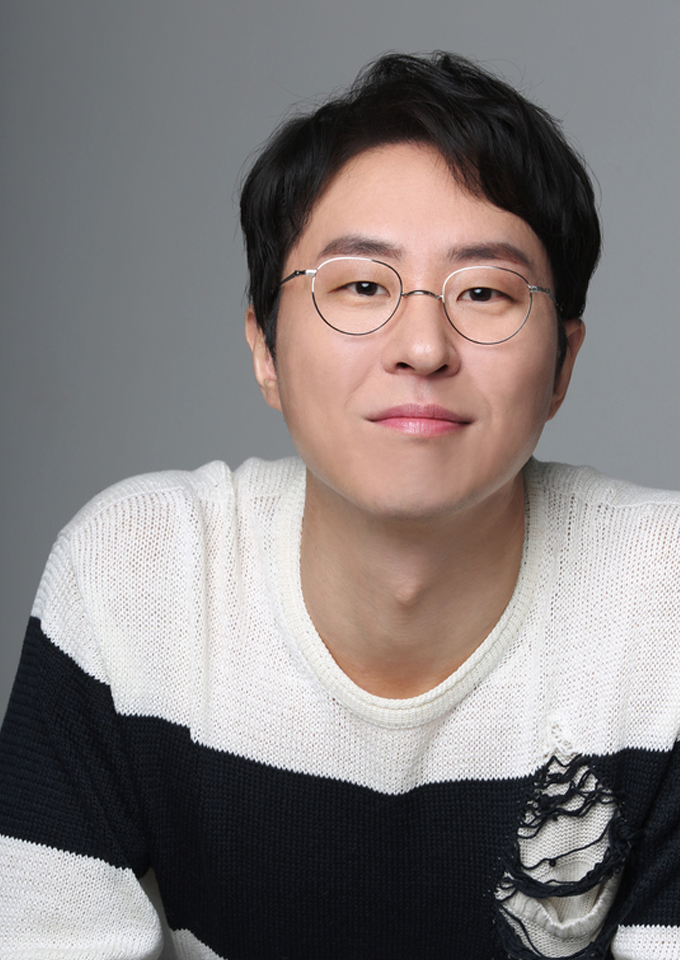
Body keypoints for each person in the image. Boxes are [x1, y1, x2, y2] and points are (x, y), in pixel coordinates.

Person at [0, 51, 678, 960]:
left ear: (563, 363)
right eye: (362, 286)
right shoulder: (137, 579)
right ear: (265, 348)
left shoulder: (663, 606)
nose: (423, 346)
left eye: (484, 291)